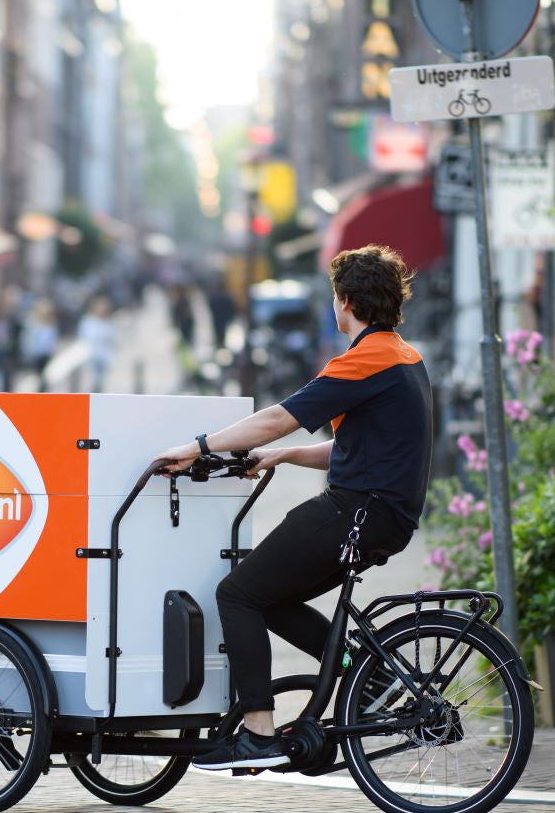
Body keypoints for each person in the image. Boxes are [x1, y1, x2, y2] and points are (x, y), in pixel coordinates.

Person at [152, 245, 430, 770]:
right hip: (387, 516)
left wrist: (198, 446)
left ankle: (257, 733)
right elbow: (355, 449)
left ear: (346, 302)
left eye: (335, 298)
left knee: (237, 593)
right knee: (270, 597)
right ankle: (371, 674)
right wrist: (285, 456)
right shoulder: (404, 357)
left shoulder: (364, 360)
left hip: (354, 512)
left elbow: (278, 418)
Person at [77, 296, 117, 392]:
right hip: (91, 355)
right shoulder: (88, 321)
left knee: (100, 381)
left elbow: (112, 338)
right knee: (92, 380)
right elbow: (84, 337)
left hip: (103, 356)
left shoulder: (108, 323)